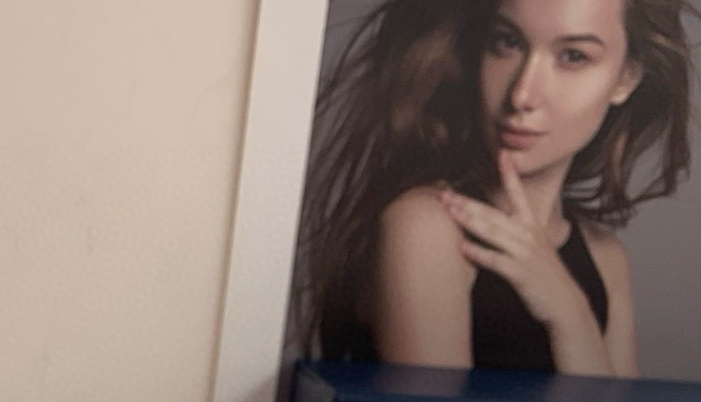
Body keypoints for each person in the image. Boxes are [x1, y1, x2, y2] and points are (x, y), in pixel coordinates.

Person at [298, 0, 696, 375]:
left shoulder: (606, 259)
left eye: (573, 56)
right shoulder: (426, 226)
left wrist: (569, 313)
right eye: (508, 42)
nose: (522, 95)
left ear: (625, 78)